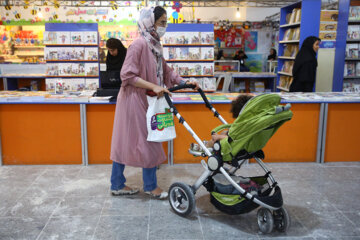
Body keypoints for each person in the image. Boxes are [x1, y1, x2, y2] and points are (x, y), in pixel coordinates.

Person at [110, 6, 199, 200]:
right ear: (151, 23)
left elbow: (166, 72)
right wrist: (154, 86)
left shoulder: (155, 45)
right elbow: (127, 75)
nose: (164, 27)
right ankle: (149, 186)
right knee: (148, 140)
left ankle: (117, 184)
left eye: (165, 23)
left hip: (149, 100)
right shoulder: (139, 45)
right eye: (162, 23)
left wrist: (185, 82)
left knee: (139, 140)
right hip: (133, 100)